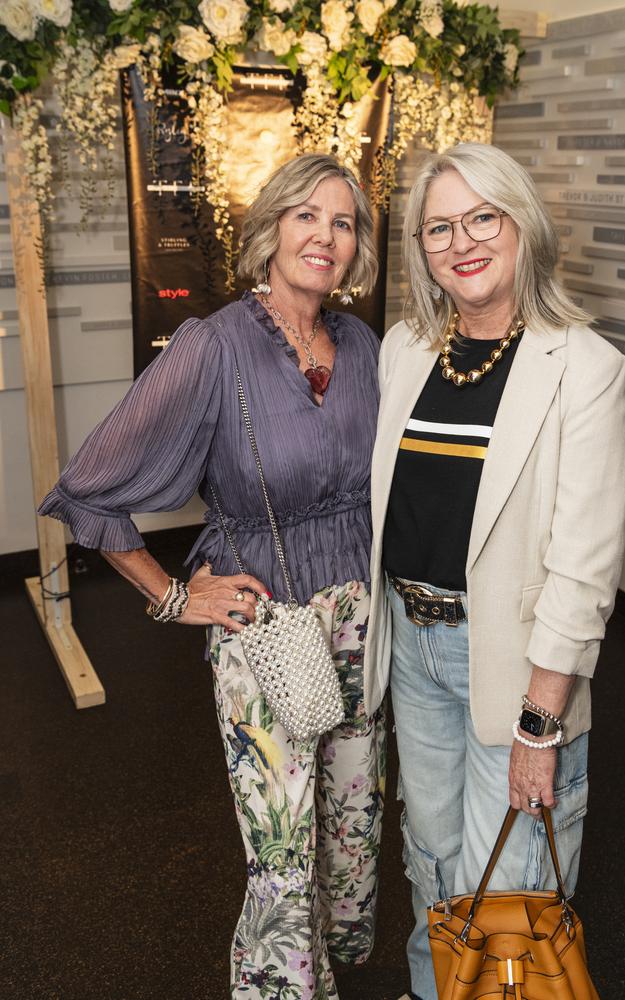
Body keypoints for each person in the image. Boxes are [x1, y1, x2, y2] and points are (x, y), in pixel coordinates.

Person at [39, 153, 386, 999]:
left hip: (362, 621)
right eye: (306, 215)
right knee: (281, 848)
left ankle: (342, 961)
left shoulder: (362, 342)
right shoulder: (213, 345)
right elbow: (88, 484)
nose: (324, 236)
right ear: (271, 228)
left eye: (342, 223)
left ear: (355, 248)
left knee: (353, 823)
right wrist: (170, 594)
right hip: (266, 626)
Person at [363, 142, 625, 1000]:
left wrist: (540, 724)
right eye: (439, 226)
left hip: (514, 663)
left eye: (484, 217)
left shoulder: (583, 367)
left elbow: (583, 571)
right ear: (420, 247)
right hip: (413, 642)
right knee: (433, 855)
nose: (463, 241)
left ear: (523, 226)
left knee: (511, 875)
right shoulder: (406, 349)